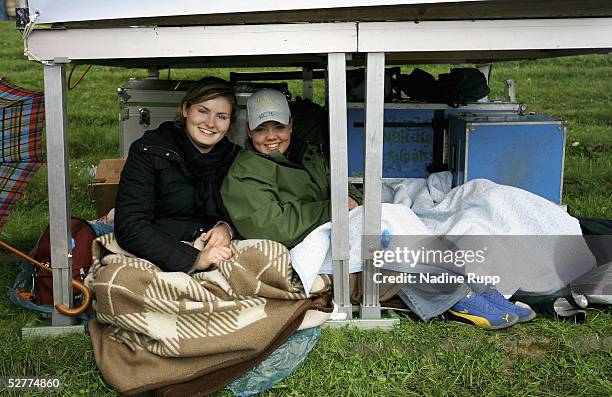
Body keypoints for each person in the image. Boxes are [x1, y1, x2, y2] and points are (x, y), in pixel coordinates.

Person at [221, 88, 536, 330]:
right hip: (306, 246)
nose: (271, 136)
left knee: (401, 218)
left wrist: (354, 199)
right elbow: (271, 227)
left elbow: (336, 185)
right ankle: (454, 298)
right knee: (389, 230)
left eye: (279, 126)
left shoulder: (304, 151)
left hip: (333, 226)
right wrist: (333, 209)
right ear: (249, 131)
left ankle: (471, 284)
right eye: (262, 129)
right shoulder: (245, 172)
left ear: (291, 125)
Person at [115, 77, 239, 274]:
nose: (210, 123)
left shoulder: (236, 158)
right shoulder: (149, 151)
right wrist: (194, 259)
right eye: (203, 111)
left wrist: (226, 228)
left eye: (221, 116)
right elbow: (130, 226)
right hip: (159, 248)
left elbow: (254, 214)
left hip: (216, 250)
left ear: (230, 121)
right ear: (185, 109)